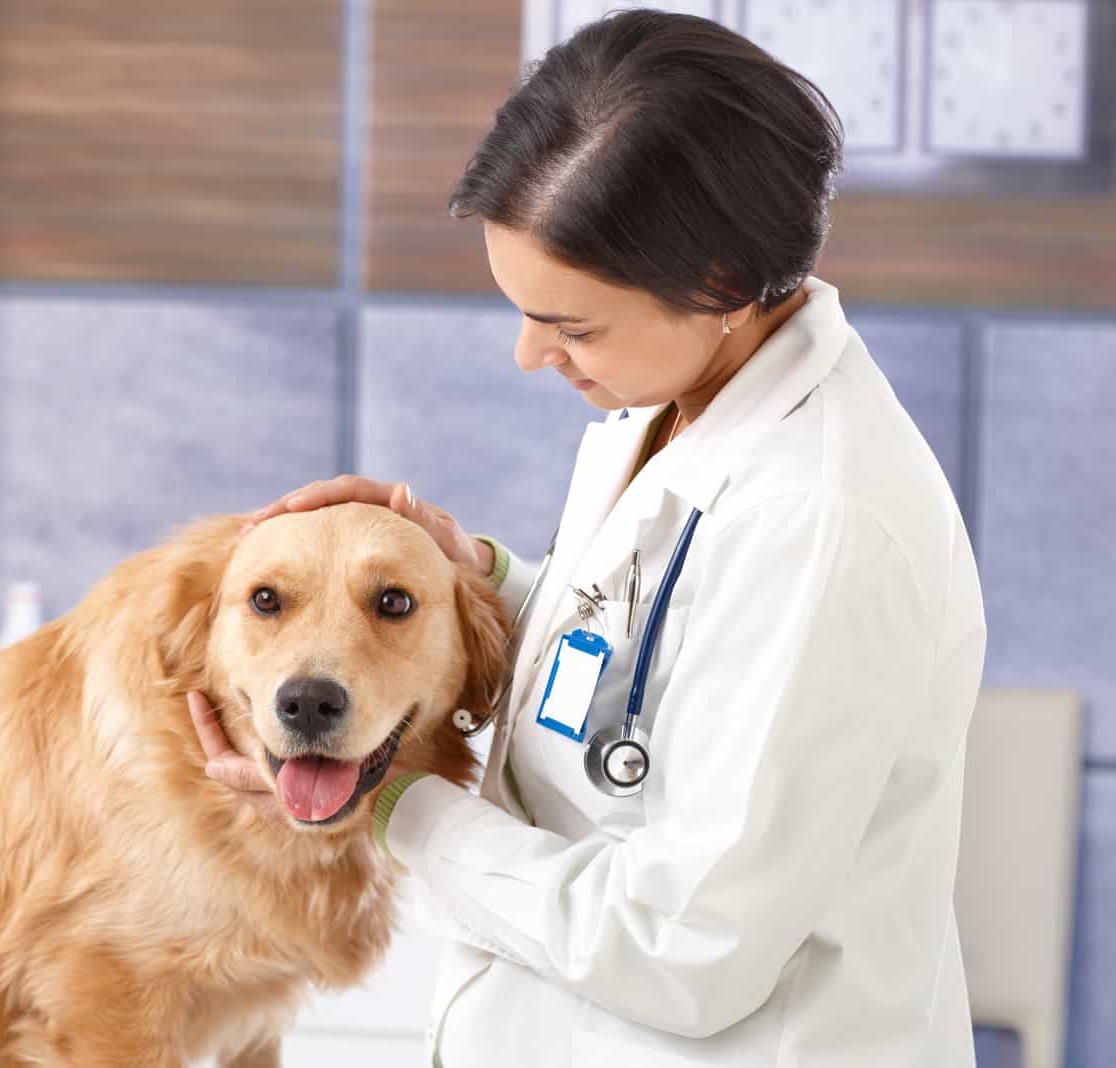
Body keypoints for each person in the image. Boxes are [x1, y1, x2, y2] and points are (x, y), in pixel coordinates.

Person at [189, 10, 987, 1066]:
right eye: (523, 311)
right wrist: (468, 582)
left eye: (571, 326)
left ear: (720, 285)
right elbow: (660, 671)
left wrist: (394, 807)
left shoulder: (819, 522)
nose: (530, 356)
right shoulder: (675, 406)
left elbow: (683, 946)